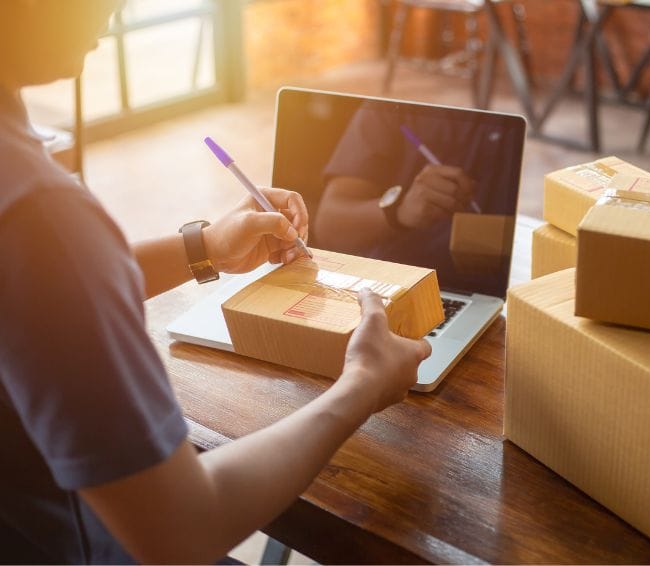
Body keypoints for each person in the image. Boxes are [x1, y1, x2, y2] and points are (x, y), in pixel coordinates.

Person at [0, 1, 431, 563]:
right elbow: (180, 530)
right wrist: (360, 388)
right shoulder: (43, 215)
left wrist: (202, 249)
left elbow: (38, 294)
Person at [316, 100, 522, 297]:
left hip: (500, 293)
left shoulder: (526, 127)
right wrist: (399, 212)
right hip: (395, 286)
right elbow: (329, 225)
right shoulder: (392, 106)